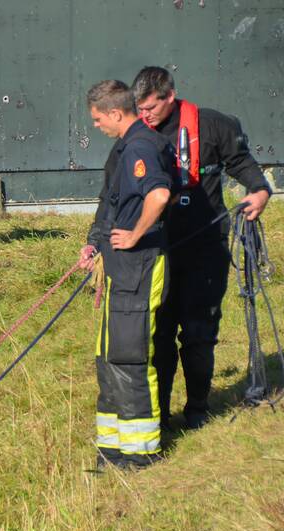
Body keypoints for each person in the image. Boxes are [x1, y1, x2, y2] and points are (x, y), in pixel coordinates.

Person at [131, 66, 273, 429]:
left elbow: (241, 163)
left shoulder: (213, 125)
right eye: (140, 108)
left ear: (170, 95)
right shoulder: (136, 136)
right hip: (156, 250)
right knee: (158, 337)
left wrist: (259, 191)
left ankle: (197, 410)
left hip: (205, 249)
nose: (145, 115)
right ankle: (159, 416)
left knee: (198, 334)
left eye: (151, 108)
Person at [77, 80, 176, 470]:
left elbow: (159, 195)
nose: (97, 126)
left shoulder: (139, 148)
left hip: (139, 267)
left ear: (115, 113)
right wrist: (95, 243)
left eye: (98, 119)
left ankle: (141, 454)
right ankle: (113, 450)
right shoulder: (126, 147)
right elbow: (112, 204)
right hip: (117, 268)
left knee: (129, 358)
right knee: (109, 355)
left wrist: (135, 234)